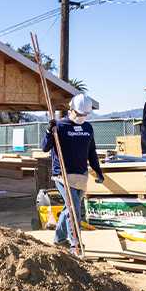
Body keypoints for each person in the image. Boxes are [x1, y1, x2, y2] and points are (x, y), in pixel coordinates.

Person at [41, 93, 105, 254]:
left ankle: (58, 239)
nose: (82, 117)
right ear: (71, 109)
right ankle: (75, 244)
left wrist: (98, 171)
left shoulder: (87, 128)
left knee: (68, 208)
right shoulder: (60, 127)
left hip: (80, 176)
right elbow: (44, 148)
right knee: (74, 208)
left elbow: (91, 152)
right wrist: (49, 132)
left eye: (85, 115)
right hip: (62, 175)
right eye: (79, 114)